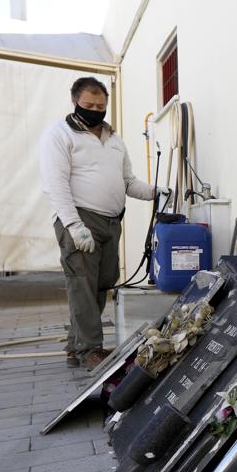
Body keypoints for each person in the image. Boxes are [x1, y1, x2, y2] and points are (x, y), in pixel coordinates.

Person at [39, 77, 168, 369]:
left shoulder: (115, 140)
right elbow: (55, 184)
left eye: (101, 106)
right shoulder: (59, 135)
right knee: (82, 284)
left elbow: (127, 181)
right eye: (89, 105)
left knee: (101, 285)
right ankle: (89, 350)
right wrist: (73, 225)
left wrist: (153, 192)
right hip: (80, 218)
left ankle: (77, 346)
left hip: (111, 222)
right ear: (74, 103)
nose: (95, 110)